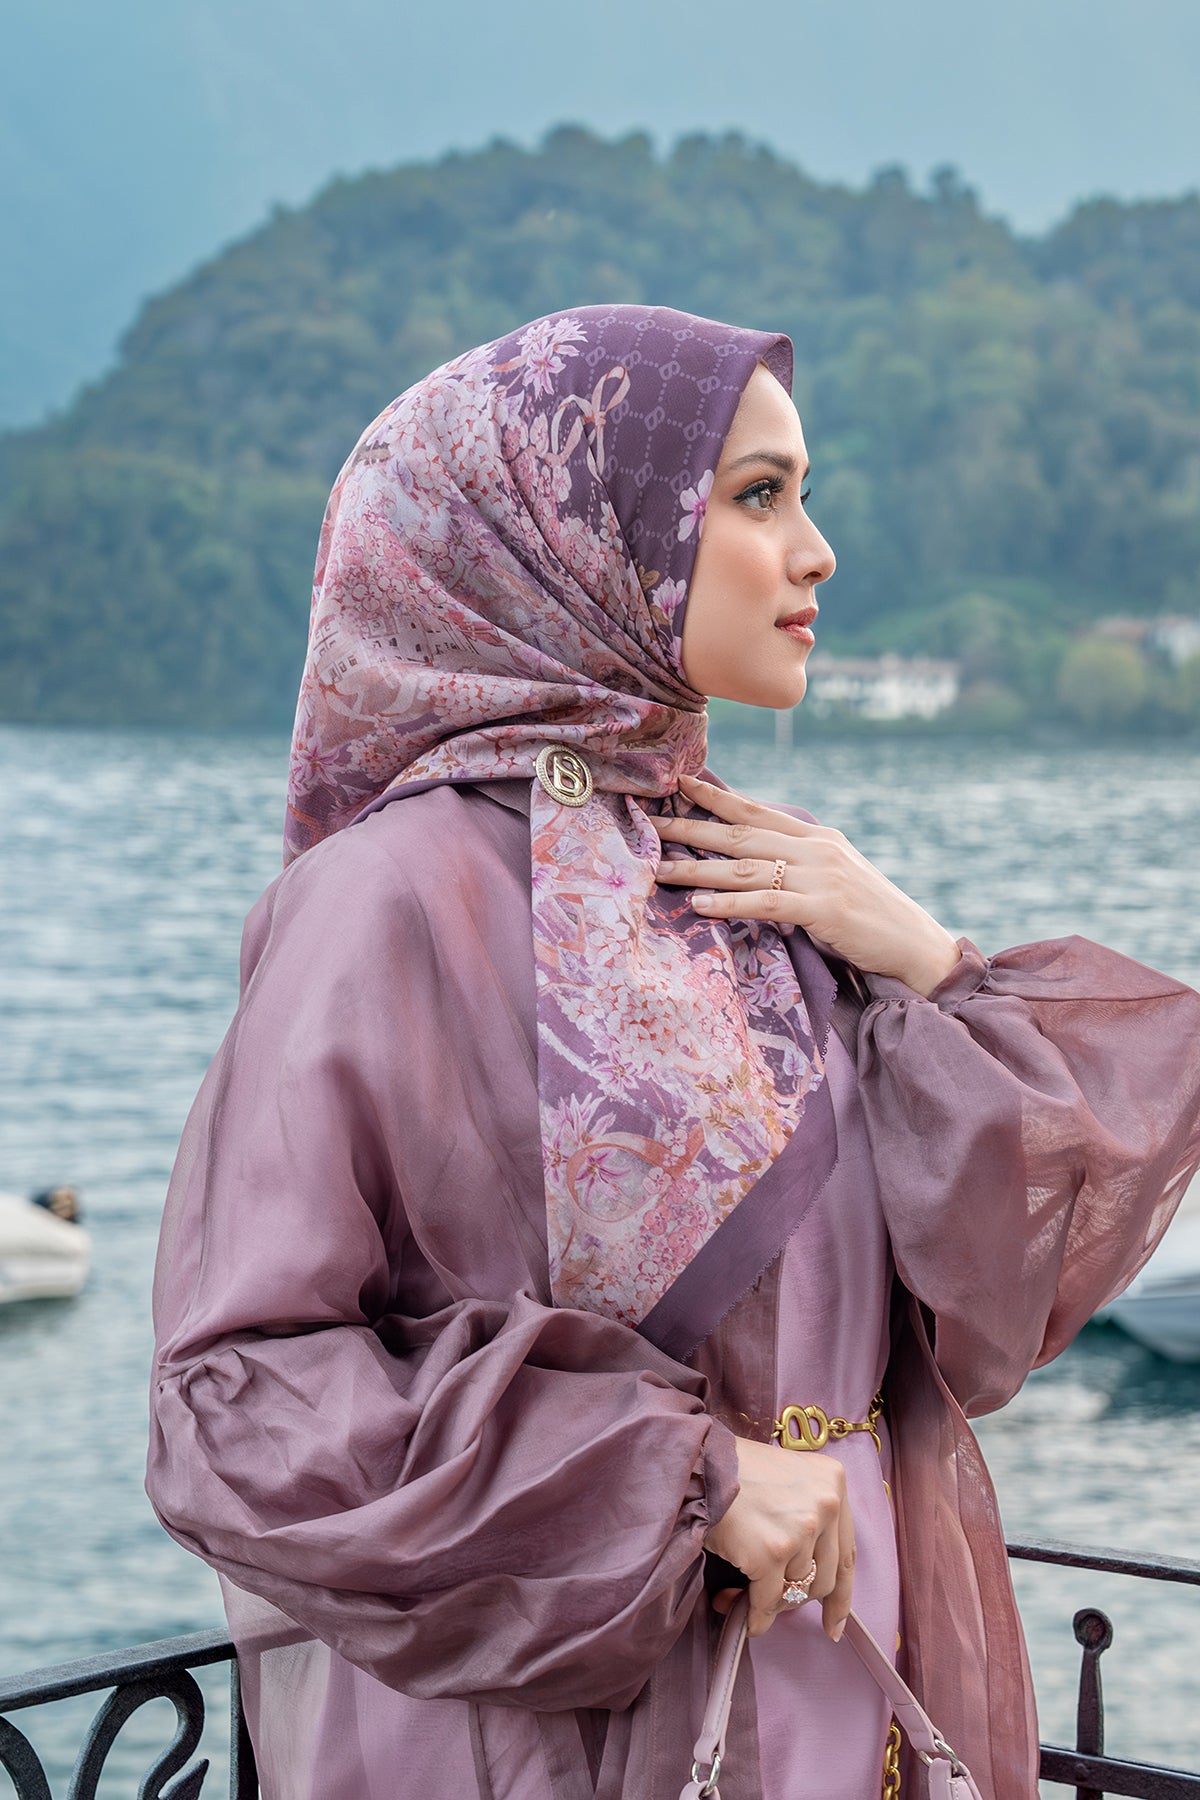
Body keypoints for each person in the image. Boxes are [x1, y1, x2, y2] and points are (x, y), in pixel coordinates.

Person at [146, 304, 1200, 1800]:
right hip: (566, 1728)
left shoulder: (754, 876)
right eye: (759, 497)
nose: (816, 553)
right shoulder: (393, 899)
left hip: (854, 1687)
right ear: (574, 541)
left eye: (804, 494)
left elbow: (994, 1276)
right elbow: (240, 1393)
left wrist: (923, 956)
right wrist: (684, 1483)